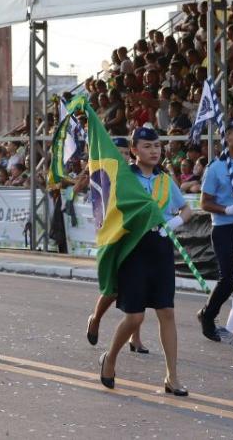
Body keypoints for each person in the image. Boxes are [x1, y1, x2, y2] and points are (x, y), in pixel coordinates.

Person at [99, 127, 192, 396]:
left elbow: (187, 209)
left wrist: (173, 222)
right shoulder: (125, 177)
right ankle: (110, 357)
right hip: (134, 249)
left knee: (167, 312)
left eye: (158, 146)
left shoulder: (164, 180)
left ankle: (172, 377)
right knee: (135, 317)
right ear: (134, 150)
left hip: (161, 248)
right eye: (148, 146)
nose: (154, 151)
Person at [86, 137, 149, 353]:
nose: (122, 157)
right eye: (118, 152)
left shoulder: (137, 175)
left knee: (138, 290)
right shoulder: (104, 176)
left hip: (137, 237)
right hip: (115, 238)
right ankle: (95, 318)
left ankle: (135, 337)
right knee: (112, 290)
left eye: (125, 153)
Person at [196, 119, 233, 343]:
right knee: (229, 278)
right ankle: (208, 315)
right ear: (226, 138)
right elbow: (204, 203)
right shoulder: (216, 167)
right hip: (225, 228)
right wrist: (227, 209)